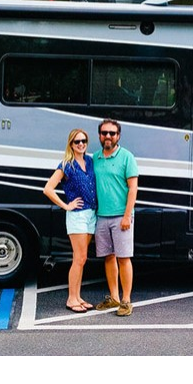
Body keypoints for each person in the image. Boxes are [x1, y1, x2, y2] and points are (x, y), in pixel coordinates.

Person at [43, 128, 97, 313]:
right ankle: (71, 298)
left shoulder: (90, 161)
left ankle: (78, 296)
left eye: (83, 141)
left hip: (91, 214)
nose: (81, 144)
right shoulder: (66, 164)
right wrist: (66, 205)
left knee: (82, 259)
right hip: (77, 216)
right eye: (77, 142)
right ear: (71, 144)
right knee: (79, 258)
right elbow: (48, 188)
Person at [92, 118, 139, 317]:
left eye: (112, 133)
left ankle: (126, 301)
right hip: (101, 217)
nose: (108, 136)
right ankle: (114, 297)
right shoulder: (95, 157)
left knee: (123, 258)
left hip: (122, 217)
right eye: (104, 133)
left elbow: (133, 188)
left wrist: (127, 215)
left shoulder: (127, 157)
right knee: (109, 258)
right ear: (99, 136)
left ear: (118, 136)